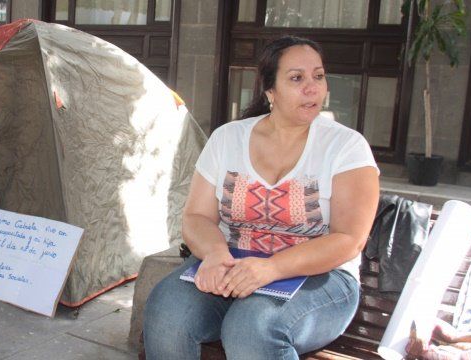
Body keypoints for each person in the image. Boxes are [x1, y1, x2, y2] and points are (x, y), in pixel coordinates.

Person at [142, 35, 380, 359]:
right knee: (165, 310)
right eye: (297, 78)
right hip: (232, 264)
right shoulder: (228, 138)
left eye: (318, 76)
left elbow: (348, 239)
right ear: (270, 91)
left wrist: (271, 269)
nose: (313, 87)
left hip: (319, 277)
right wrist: (214, 253)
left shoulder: (346, 148)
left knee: (253, 326)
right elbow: (197, 217)